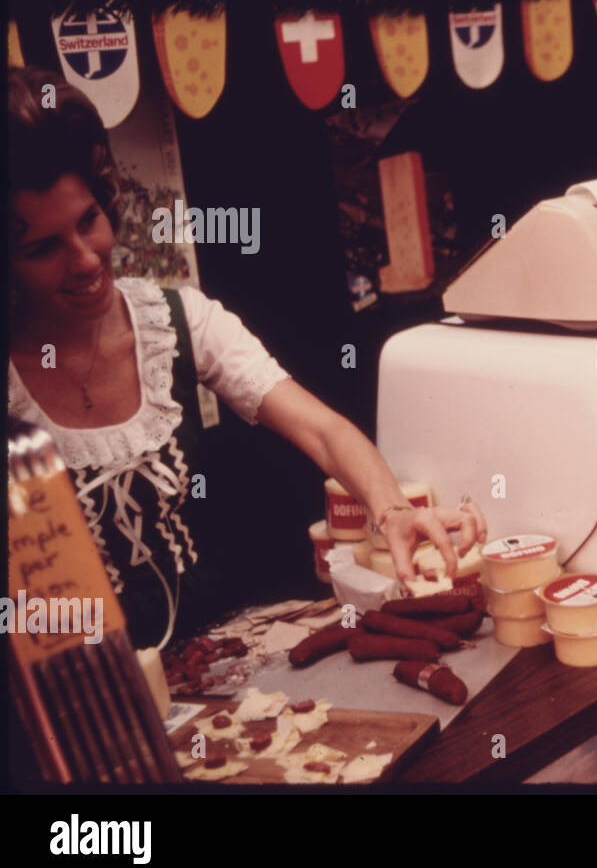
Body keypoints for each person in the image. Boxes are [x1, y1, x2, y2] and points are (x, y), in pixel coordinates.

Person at [8, 67, 487, 649]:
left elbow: (323, 430)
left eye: (89, 221)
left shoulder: (176, 320)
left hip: (214, 668)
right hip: (76, 697)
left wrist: (391, 513)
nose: (84, 260)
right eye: (43, 248)